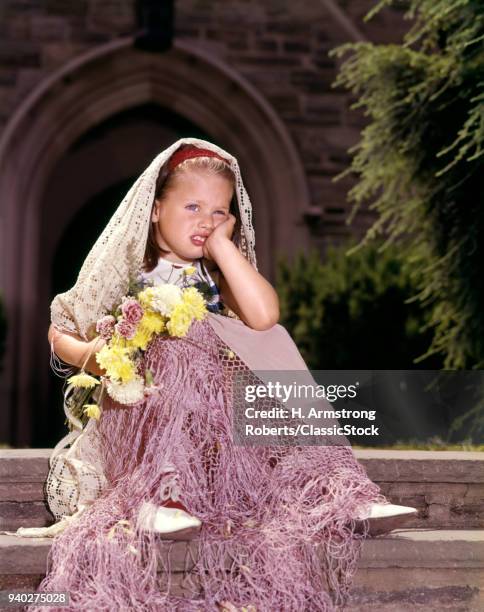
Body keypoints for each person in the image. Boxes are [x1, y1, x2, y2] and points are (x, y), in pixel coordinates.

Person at [22, 139, 416, 610]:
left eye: (219, 211)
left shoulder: (216, 273)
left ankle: (337, 491)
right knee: (170, 344)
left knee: (266, 339)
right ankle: (162, 496)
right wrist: (98, 353)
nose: (205, 221)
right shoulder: (131, 269)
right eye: (192, 206)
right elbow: (59, 331)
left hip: (218, 423)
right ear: (154, 208)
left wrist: (224, 247)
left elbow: (265, 315)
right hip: (148, 410)